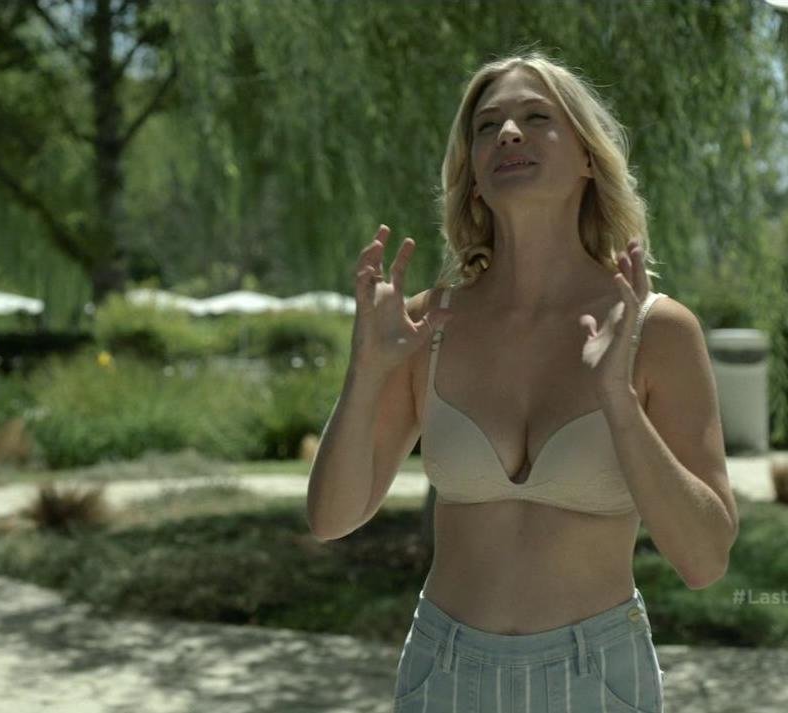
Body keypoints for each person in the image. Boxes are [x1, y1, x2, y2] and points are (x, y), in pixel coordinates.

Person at [306, 49, 738, 713]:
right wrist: (365, 373)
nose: (508, 133)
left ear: (588, 157)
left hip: (598, 678)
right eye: (487, 126)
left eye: (537, 118)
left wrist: (619, 404)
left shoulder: (655, 328)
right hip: (445, 671)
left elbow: (704, 560)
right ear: (474, 176)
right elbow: (332, 518)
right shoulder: (427, 324)